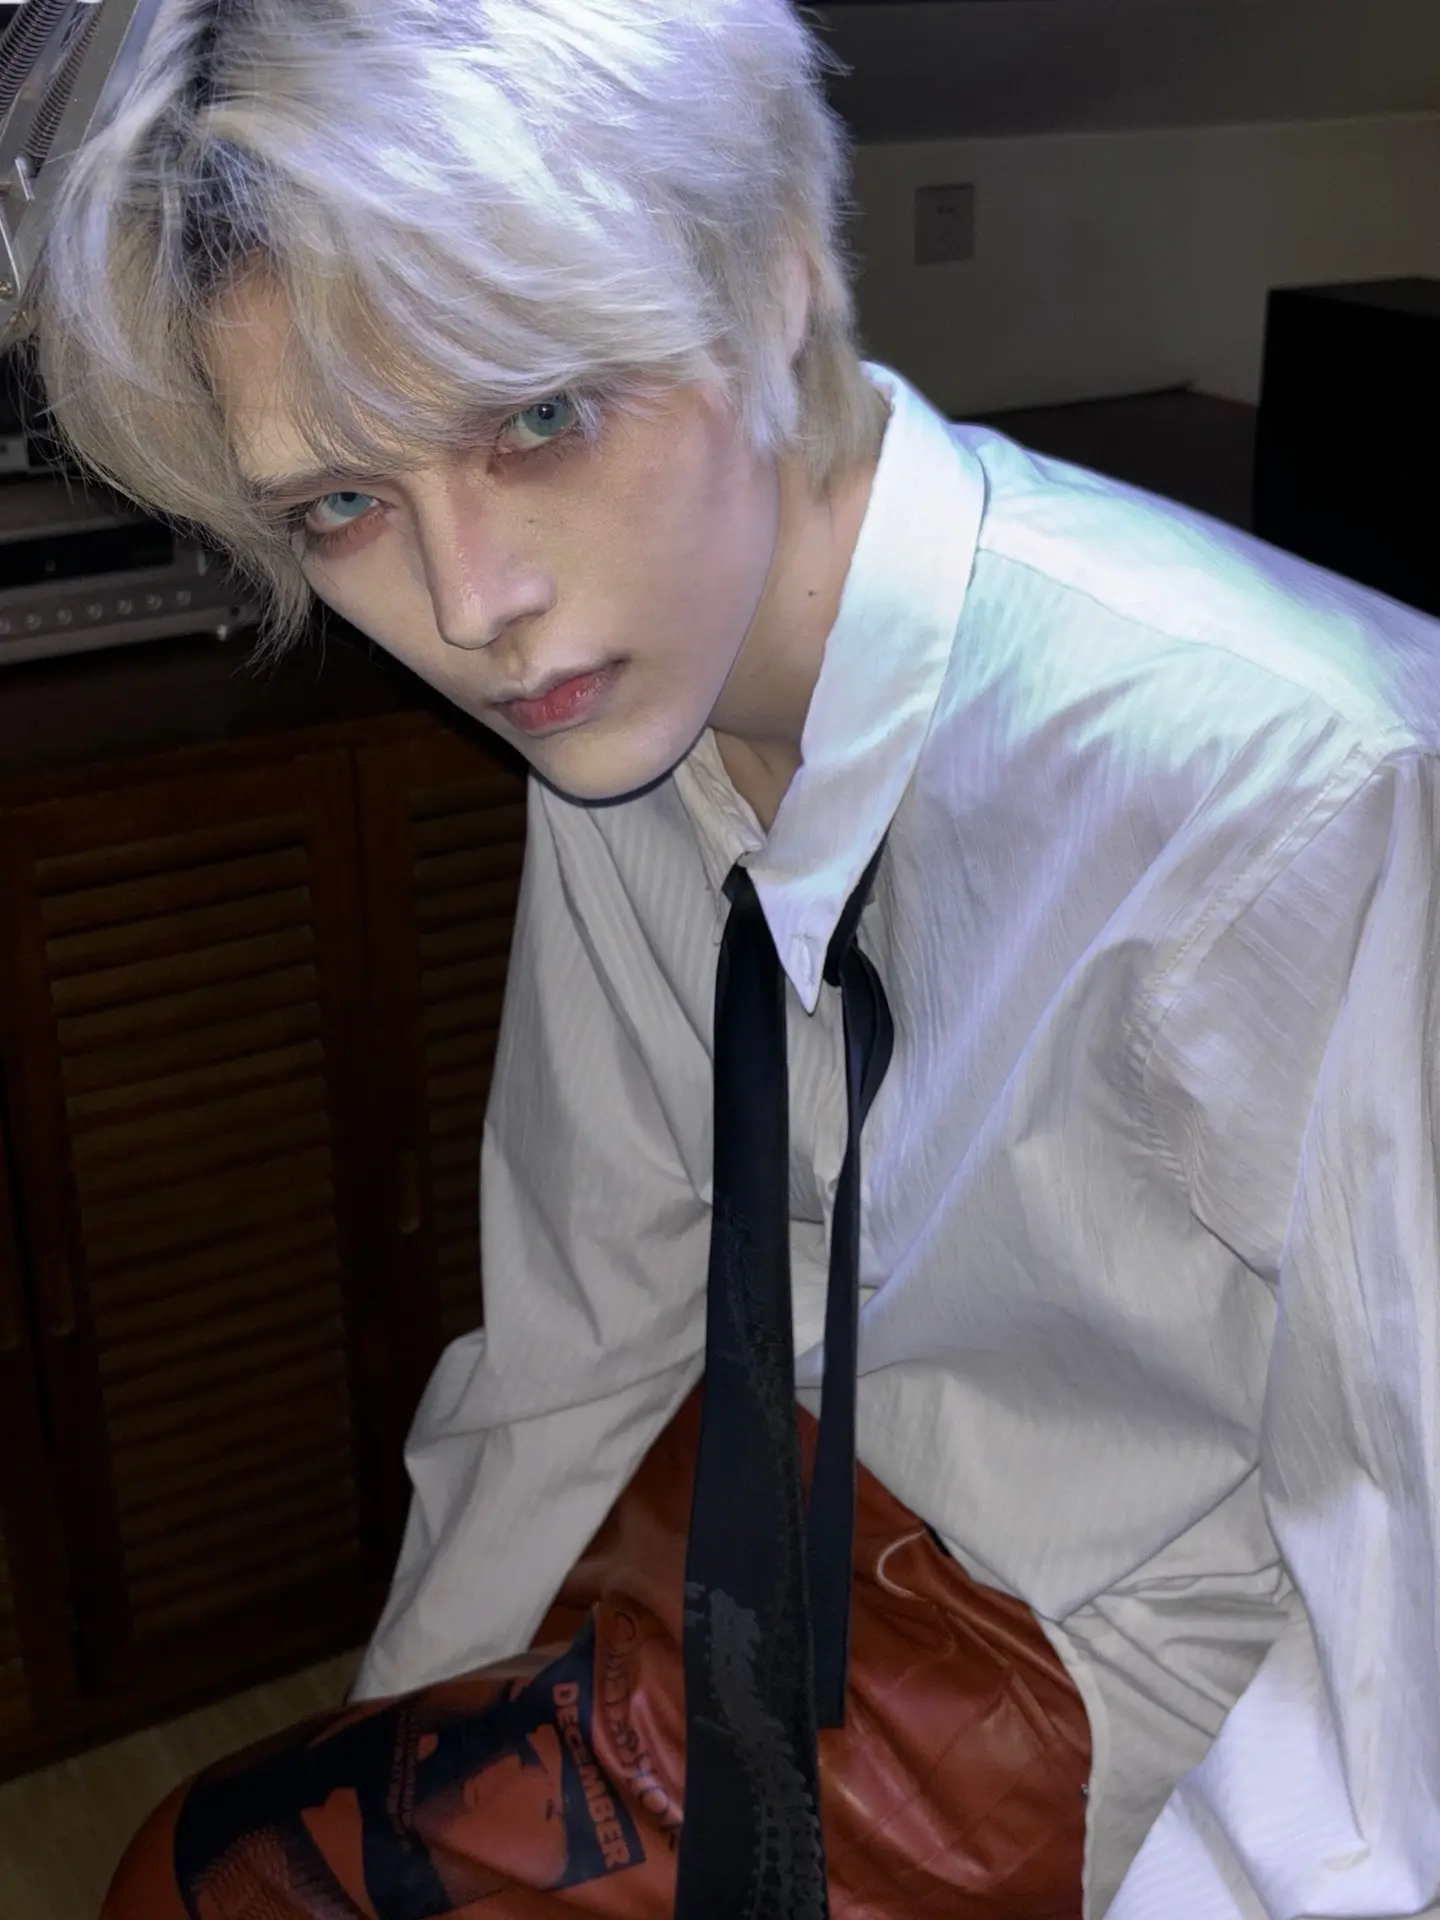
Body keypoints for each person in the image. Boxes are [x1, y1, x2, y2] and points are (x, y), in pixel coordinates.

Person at [25, 0, 1440, 1915]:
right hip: (780, 1532)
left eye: (536, 416)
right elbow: (578, 1321)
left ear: (772, 278)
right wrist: (404, 1734)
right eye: (343, 504)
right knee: (216, 1875)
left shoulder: (1307, 798)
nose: (471, 606)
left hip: (1113, 1676)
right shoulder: (621, 698)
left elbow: (1391, 1699)